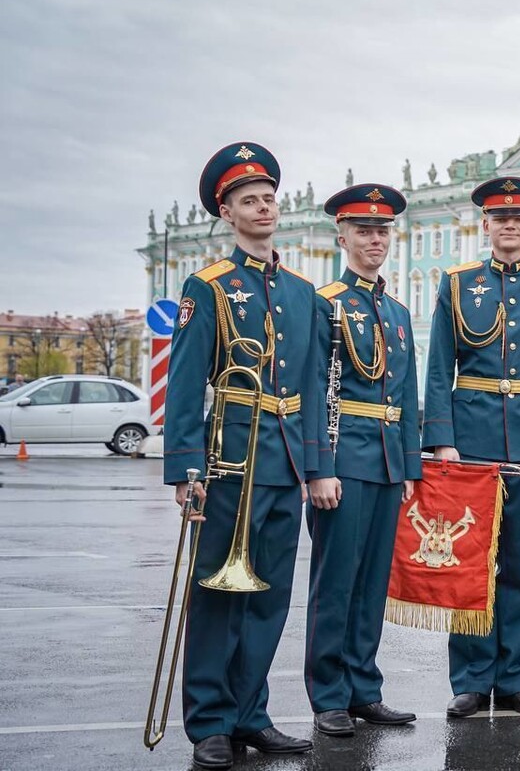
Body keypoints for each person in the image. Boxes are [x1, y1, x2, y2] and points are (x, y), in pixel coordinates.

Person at [164, 142, 336, 769]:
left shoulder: (303, 292)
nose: (263, 207)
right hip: (228, 461)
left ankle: (250, 715)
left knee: (267, 596)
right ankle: (210, 722)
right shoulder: (208, 286)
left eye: (268, 198)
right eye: (249, 201)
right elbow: (186, 383)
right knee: (218, 596)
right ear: (227, 213)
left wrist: (317, 468)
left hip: (285, 462)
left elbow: (313, 387)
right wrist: (186, 470)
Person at [423, 176, 520, 718]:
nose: (509, 225)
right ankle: (471, 679)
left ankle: (515, 678)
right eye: (499, 217)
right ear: (485, 224)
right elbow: (439, 366)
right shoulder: (458, 283)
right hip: (471, 441)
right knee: (469, 562)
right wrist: (442, 440)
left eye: (519, 217)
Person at [304, 184, 422, 737]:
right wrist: (319, 467)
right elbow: (313, 390)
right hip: (344, 457)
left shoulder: (397, 312)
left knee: (373, 582)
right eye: (363, 231)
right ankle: (329, 694)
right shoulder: (324, 303)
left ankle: (363, 689)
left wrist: (409, 467)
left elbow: (407, 395)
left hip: (386, 460)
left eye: (382, 231)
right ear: (342, 237)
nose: (375, 240)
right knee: (336, 582)